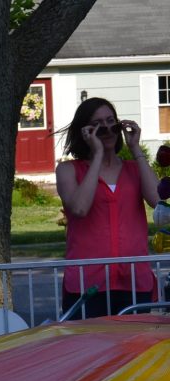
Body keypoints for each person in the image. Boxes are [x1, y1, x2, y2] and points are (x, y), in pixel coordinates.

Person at [56, 97, 160, 318]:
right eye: (98, 126)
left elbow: (157, 200)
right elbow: (79, 208)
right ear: (85, 132)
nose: (108, 130)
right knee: (89, 351)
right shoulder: (68, 170)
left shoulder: (133, 169)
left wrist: (135, 149)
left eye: (112, 123)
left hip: (133, 280)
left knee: (133, 351)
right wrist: (97, 156)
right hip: (87, 283)